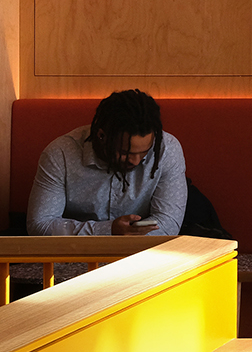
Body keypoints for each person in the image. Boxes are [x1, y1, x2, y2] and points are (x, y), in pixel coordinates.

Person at [27, 88, 190, 239]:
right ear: (101, 136)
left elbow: (168, 224)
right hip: (75, 252)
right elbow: (40, 225)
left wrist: (127, 244)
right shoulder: (60, 154)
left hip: (142, 255)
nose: (135, 160)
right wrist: (108, 230)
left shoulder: (166, 150)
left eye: (144, 152)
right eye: (126, 153)